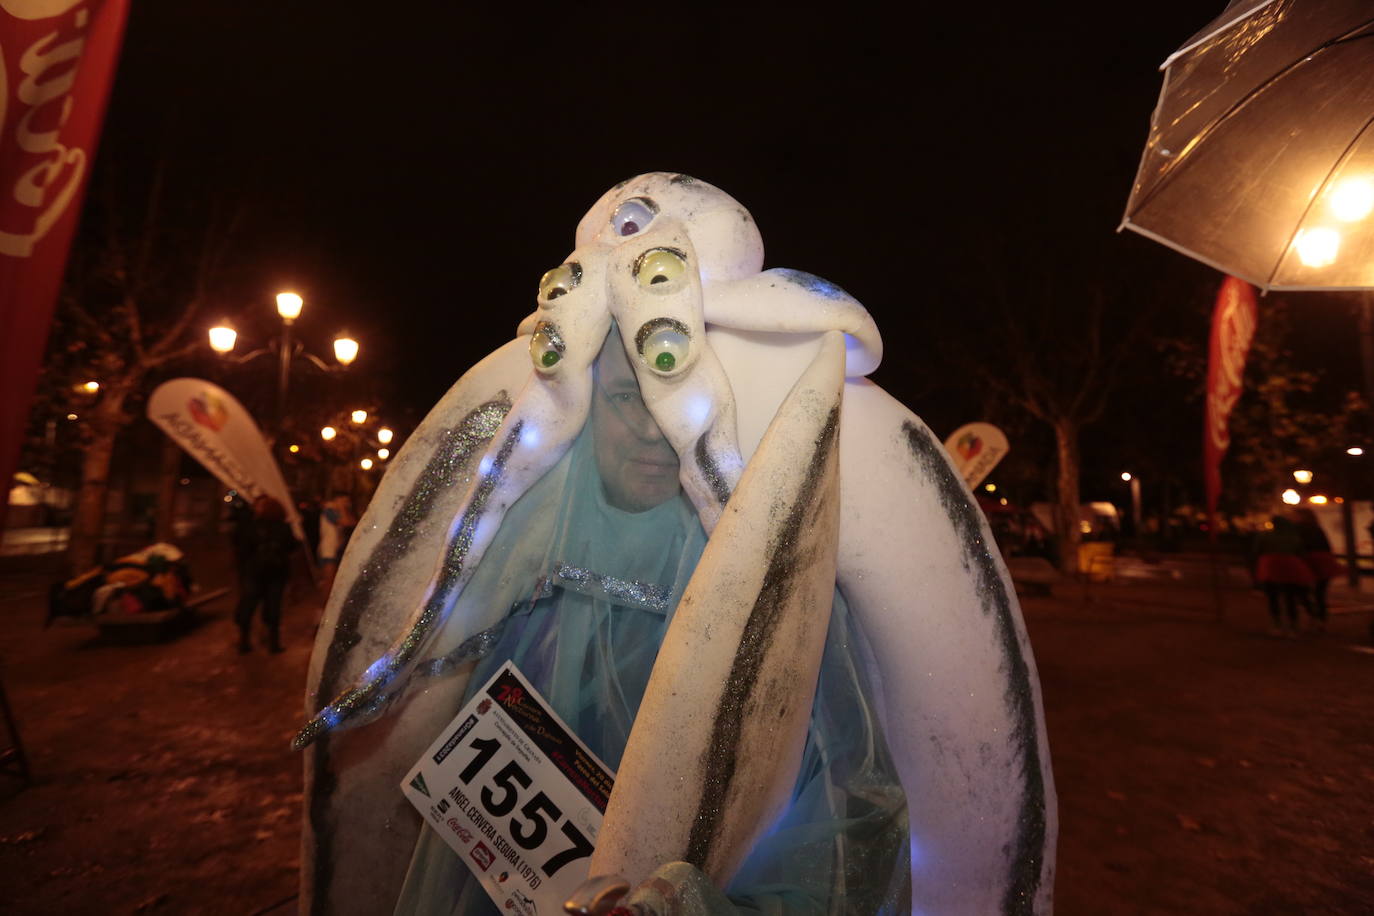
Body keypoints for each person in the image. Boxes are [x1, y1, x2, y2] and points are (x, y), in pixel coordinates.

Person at [392, 331, 909, 913]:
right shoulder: (529, 580)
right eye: (624, 398)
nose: (651, 429)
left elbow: (845, 821)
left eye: (673, 400)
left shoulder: (775, 593)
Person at [235, 494, 297, 653]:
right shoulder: (276, 526)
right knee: (265, 607)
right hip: (266, 573)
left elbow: (242, 550)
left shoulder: (254, 526)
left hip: (264, 573)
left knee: (262, 607)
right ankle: (266, 643)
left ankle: (255, 641)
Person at [1253, 514, 1314, 638]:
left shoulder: (1265, 536)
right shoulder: (1294, 537)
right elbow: (1301, 553)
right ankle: (1293, 626)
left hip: (1270, 567)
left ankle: (1277, 624)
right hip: (1290, 566)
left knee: (1273, 597)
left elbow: (1256, 551)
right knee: (1290, 597)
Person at [1293, 507, 1341, 631]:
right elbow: (1327, 546)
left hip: (1309, 560)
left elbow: (1298, 546)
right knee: (1320, 592)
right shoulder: (1318, 529)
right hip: (1324, 560)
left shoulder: (1298, 529)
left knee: (1301, 590)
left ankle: (1314, 615)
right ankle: (1321, 619)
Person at [318, 491, 357, 595]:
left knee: (335, 581)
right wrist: (342, 508)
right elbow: (346, 523)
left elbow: (354, 522)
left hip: (336, 549)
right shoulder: (329, 511)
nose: (347, 504)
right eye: (345, 501)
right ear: (337, 499)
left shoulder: (335, 511)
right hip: (328, 551)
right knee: (329, 581)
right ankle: (323, 608)